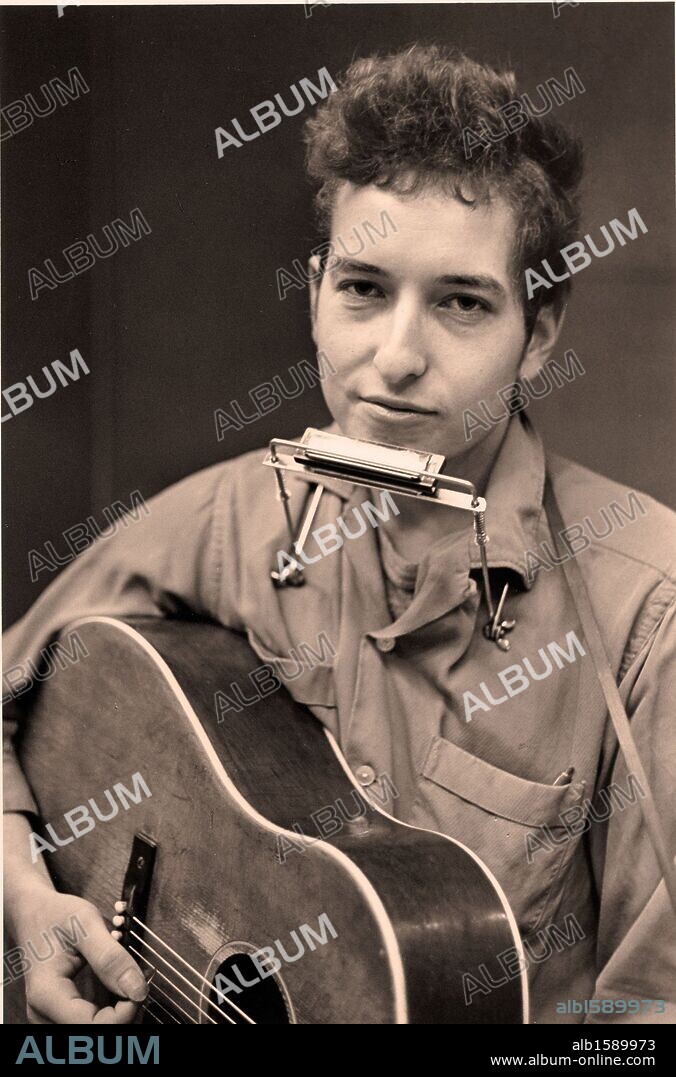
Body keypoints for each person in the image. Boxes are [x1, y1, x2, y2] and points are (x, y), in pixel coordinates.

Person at [4, 45, 674, 1025]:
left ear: (538, 328)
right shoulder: (224, 520)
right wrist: (27, 900)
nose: (393, 359)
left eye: (458, 302)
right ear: (316, 289)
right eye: (362, 289)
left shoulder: (646, 602)